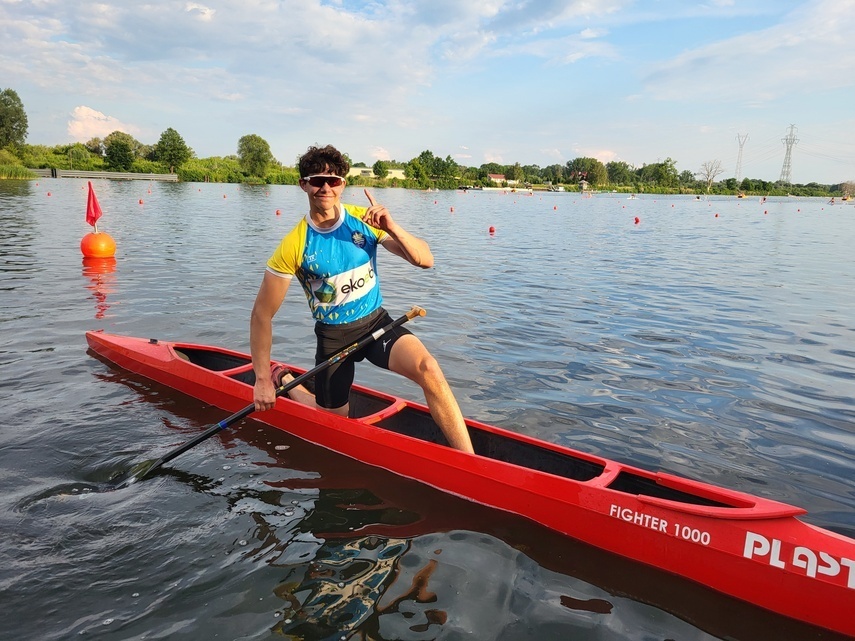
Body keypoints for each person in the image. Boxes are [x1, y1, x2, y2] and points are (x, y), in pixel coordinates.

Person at [250, 144, 474, 454]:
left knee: (429, 368)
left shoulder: (365, 221)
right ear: (303, 185)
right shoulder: (294, 245)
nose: (325, 188)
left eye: (334, 180)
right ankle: (284, 378)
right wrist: (261, 377)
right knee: (331, 423)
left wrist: (392, 227)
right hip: (333, 338)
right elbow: (262, 315)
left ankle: (469, 462)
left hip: (375, 325)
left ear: (343, 184)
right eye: (317, 180)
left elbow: (426, 260)